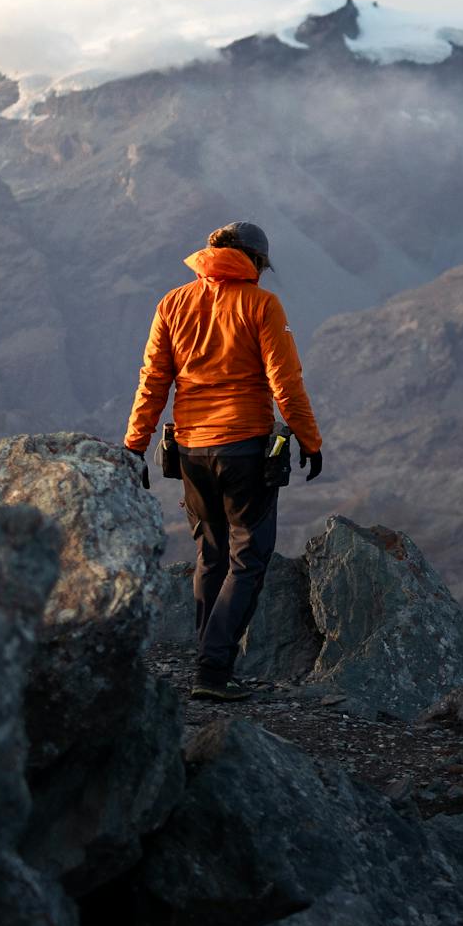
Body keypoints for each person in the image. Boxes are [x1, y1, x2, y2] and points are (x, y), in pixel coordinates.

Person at [123, 221, 324, 702]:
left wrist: (133, 446)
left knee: (210, 555)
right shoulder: (261, 305)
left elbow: (153, 379)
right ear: (255, 261)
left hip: (190, 451)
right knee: (248, 557)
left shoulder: (172, 302)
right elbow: (286, 382)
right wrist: (309, 440)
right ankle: (214, 671)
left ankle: (206, 665)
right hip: (245, 449)